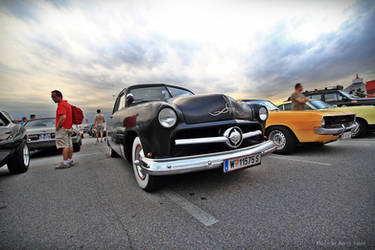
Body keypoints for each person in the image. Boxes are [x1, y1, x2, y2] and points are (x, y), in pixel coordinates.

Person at [51, 90, 77, 169]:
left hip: (63, 128)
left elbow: (63, 117)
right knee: (69, 145)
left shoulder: (61, 105)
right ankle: (70, 160)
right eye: (52, 97)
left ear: (59, 96)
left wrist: (57, 127)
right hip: (69, 128)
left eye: (54, 97)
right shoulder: (67, 104)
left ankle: (65, 162)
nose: (52, 99)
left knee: (64, 146)